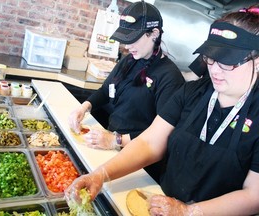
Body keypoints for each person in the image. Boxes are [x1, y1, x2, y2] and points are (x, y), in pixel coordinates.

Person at [66, 4, 259, 216]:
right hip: (162, 204)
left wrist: (189, 212)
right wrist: (100, 175)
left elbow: (253, 195)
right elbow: (150, 143)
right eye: (210, 58)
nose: (214, 69)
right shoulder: (192, 92)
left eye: (228, 62)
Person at [68, 1, 185, 152]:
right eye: (126, 40)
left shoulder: (170, 77)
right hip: (112, 143)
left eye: (133, 39)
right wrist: (84, 107)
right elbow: (105, 91)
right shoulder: (129, 60)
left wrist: (116, 140)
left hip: (137, 155)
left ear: (155, 34)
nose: (127, 46)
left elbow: (161, 135)